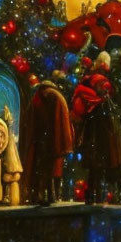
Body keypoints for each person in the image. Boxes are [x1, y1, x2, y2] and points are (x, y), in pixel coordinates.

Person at [75, 52, 121, 204]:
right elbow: (109, 94)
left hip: (89, 128)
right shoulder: (102, 81)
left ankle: (91, 194)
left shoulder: (87, 79)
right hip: (100, 128)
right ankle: (99, 195)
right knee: (101, 163)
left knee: (92, 167)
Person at [22, 75, 73, 204]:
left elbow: (30, 118)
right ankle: (48, 196)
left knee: (42, 169)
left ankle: (41, 195)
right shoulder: (54, 95)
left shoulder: (39, 96)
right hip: (50, 138)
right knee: (49, 169)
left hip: (40, 138)